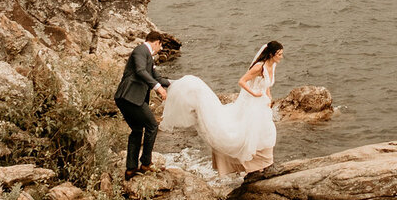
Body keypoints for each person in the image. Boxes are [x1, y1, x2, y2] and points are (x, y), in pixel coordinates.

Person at [160, 39, 281, 176]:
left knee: (266, 134)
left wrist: (269, 97)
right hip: (253, 103)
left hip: (263, 105)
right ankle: (261, 166)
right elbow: (242, 81)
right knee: (251, 135)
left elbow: (267, 85)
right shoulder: (259, 67)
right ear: (271, 54)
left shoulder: (273, 66)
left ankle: (264, 165)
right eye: (279, 54)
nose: (281, 57)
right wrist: (255, 93)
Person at [113, 30, 172, 176]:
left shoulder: (148, 57)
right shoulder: (140, 50)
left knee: (137, 130)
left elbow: (157, 77)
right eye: (161, 46)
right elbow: (140, 71)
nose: (161, 50)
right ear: (157, 42)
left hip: (127, 98)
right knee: (152, 125)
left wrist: (175, 84)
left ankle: (131, 168)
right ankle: (146, 163)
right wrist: (157, 88)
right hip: (130, 97)